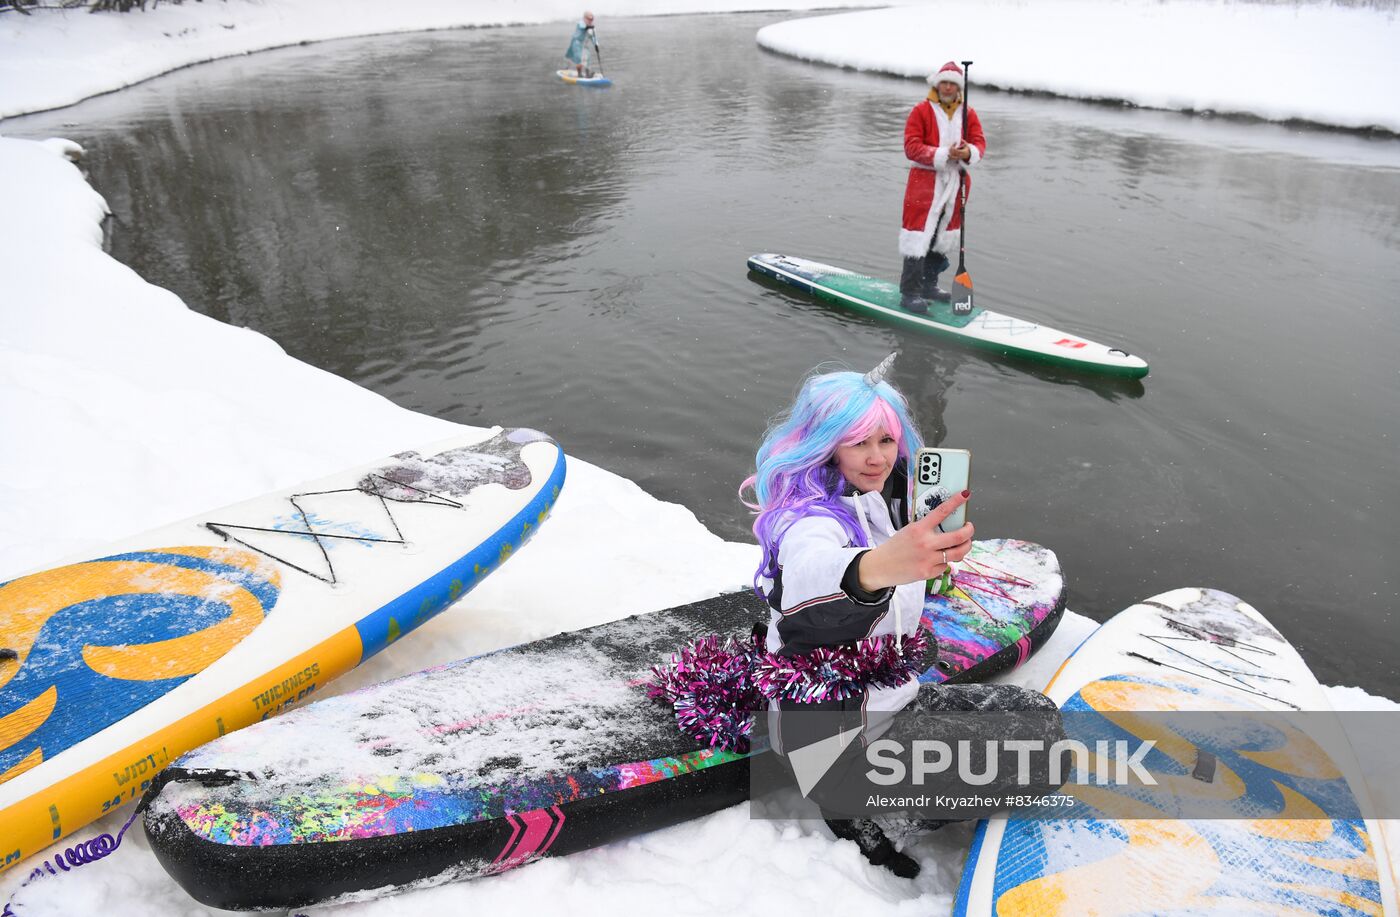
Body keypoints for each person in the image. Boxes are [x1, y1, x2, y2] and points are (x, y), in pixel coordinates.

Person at [740, 355, 1059, 878]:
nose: (876, 458)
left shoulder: (881, 504)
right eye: (857, 442)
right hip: (834, 744)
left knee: (1039, 717)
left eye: (885, 441)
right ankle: (872, 812)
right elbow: (811, 581)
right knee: (1032, 762)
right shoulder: (809, 523)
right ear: (824, 445)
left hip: (888, 703)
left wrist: (915, 555)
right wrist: (875, 568)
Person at [899, 61, 986, 314]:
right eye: (944, 82)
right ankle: (910, 292)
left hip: (955, 183)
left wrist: (967, 151)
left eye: (952, 84)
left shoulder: (968, 114)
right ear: (937, 84)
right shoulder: (920, 111)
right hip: (924, 183)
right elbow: (911, 147)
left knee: (942, 238)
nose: (947, 87)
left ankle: (929, 285)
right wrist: (942, 153)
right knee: (918, 238)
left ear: (958, 88)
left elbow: (980, 143)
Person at [564, 12, 599, 78]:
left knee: (587, 57)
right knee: (579, 59)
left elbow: (593, 37)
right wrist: (590, 27)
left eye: (592, 19)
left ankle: (587, 73)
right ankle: (579, 74)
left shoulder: (592, 28)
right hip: (576, 43)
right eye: (589, 19)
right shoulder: (580, 23)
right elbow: (584, 27)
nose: (590, 21)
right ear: (585, 18)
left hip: (584, 45)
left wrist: (596, 44)